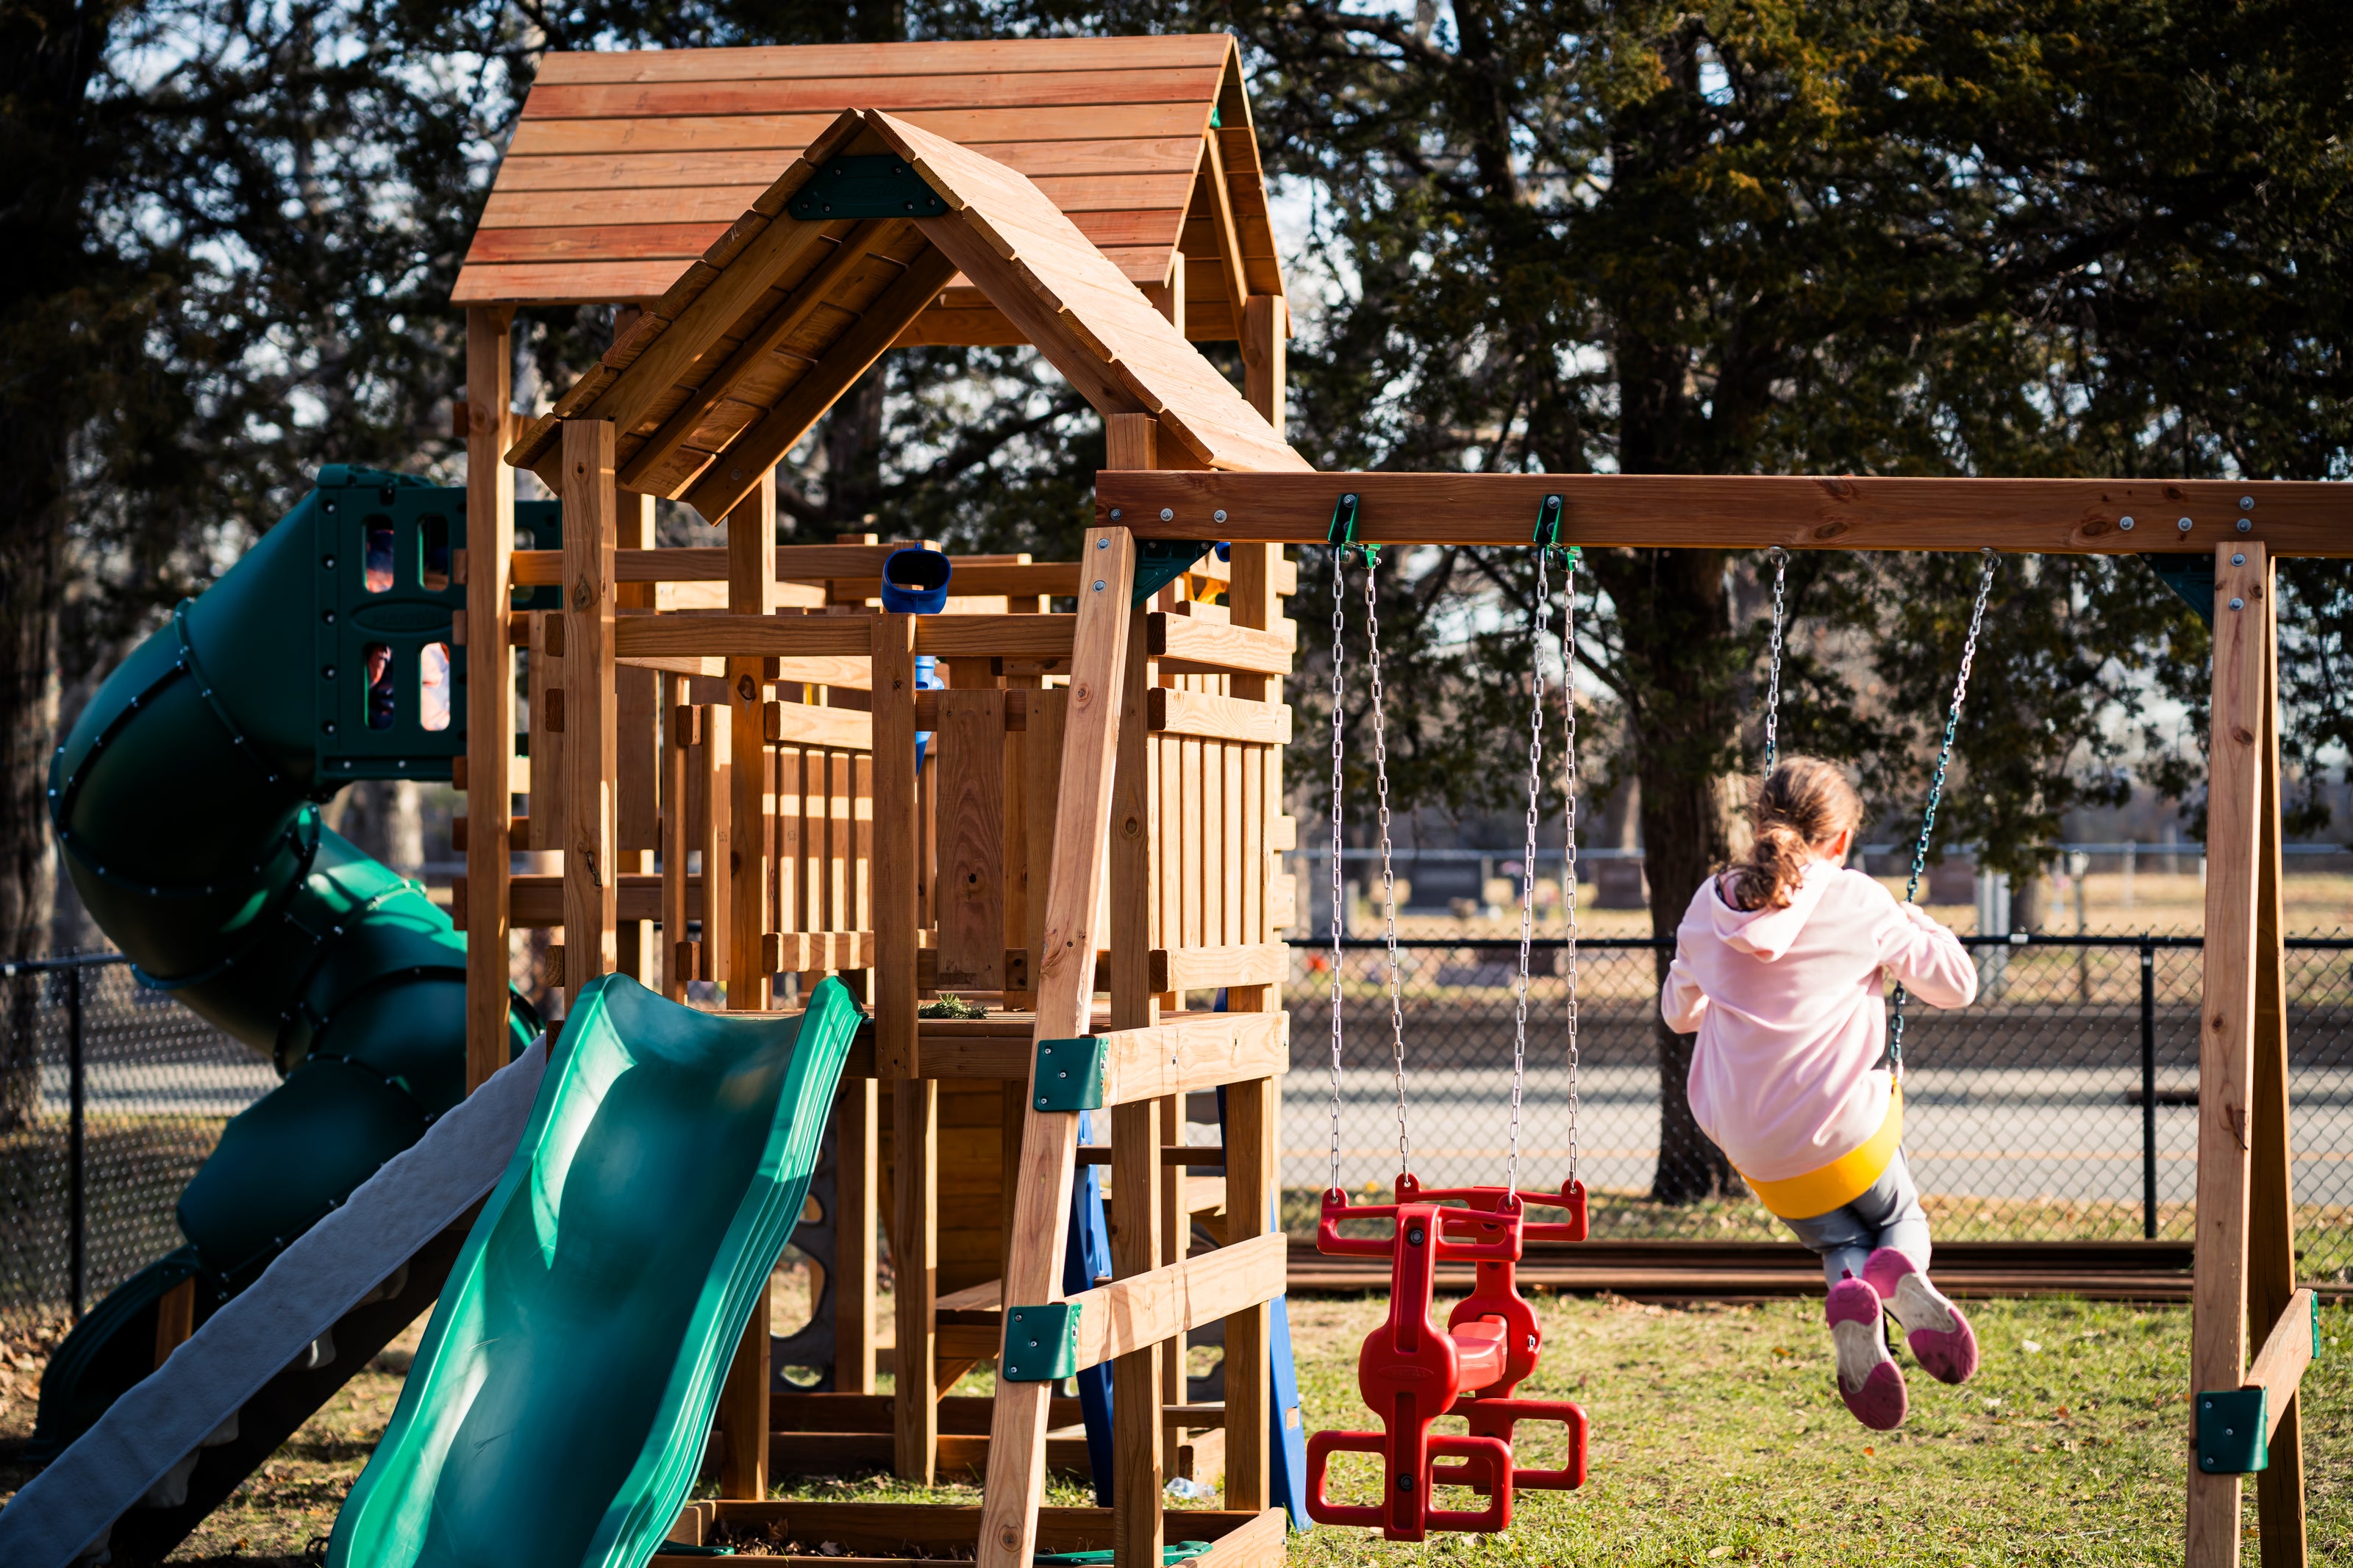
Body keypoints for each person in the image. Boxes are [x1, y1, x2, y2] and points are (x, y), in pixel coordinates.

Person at [1660, 756, 1981, 1431]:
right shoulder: (1858, 898)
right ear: (1840, 840)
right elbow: (1957, 986)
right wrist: (1916, 925)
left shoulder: (1706, 904)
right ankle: (1900, 1273)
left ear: (1759, 824)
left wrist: (1712, 979)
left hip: (1759, 1149)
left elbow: (1678, 1014)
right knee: (1898, 1216)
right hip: (1846, 1131)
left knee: (1839, 1240)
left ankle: (1853, 1295)